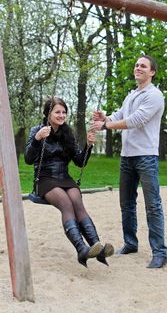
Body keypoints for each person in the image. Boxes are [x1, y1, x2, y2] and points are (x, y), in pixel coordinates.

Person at [90, 55, 167, 268]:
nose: (138, 68)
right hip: (127, 156)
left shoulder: (154, 95)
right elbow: (120, 115)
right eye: (136, 65)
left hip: (146, 156)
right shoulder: (132, 95)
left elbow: (136, 120)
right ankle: (130, 243)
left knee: (153, 205)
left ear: (152, 72)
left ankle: (160, 252)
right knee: (127, 204)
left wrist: (106, 126)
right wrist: (105, 118)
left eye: (143, 66)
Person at [24, 97, 114, 268]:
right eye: (57, 112)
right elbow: (28, 159)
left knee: (77, 203)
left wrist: (88, 146)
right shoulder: (38, 130)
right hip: (44, 179)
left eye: (64, 112)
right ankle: (81, 249)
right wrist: (36, 139)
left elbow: (80, 161)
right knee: (66, 204)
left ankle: (97, 247)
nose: (61, 115)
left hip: (64, 178)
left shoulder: (67, 133)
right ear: (48, 114)